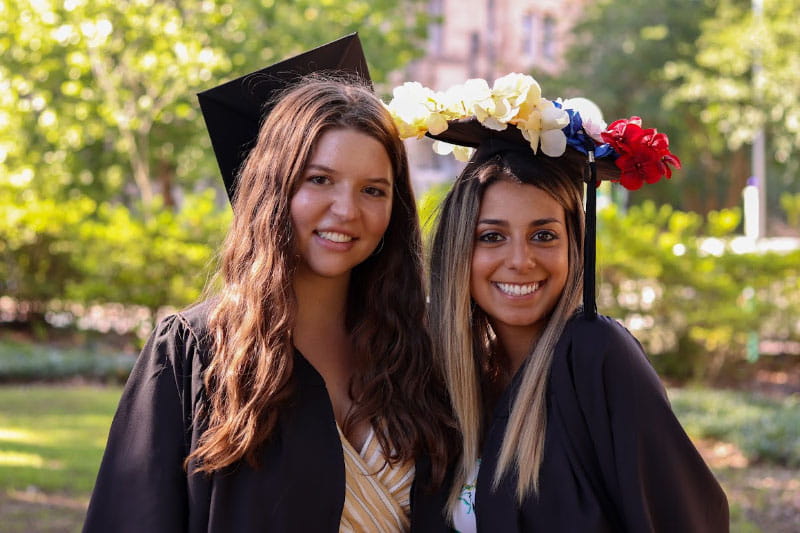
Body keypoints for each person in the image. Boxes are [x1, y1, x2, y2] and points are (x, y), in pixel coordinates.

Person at [83, 37, 456, 533]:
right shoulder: (198, 354)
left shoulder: (416, 354)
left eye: (373, 190)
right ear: (275, 188)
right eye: (319, 180)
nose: (347, 210)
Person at [387, 73, 729, 531]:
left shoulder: (595, 356)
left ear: (575, 245)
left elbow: (684, 518)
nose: (520, 260)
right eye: (492, 236)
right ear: (457, 251)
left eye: (543, 235)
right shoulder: (448, 382)